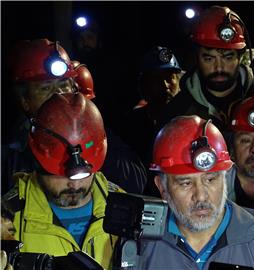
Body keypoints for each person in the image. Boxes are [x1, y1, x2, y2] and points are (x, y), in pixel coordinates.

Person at [162, 5, 254, 178]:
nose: (219, 67)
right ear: (196, 57)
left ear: (240, 57)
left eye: (228, 57)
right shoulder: (179, 110)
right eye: (209, 58)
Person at [135, 115, 254, 269]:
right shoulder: (140, 245)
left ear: (225, 177)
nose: (201, 195)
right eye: (185, 183)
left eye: (210, 180)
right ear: (162, 187)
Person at [2, 38, 147, 195]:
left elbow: (135, 181)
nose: (58, 95)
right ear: (25, 101)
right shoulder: (11, 151)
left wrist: (92, 135)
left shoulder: (95, 131)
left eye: (63, 85)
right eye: (46, 88)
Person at [3, 92, 122, 269]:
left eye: (84, 175)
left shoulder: (125, 207)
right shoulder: (7, 218)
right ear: (38, 161)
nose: (74, 184)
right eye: (60, 174)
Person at [121, 46, 184, 167]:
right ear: (144, 85)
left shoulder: (189, 119)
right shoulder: (132, 124)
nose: (165, 85)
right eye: (157, 79)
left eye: (170, 77)